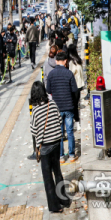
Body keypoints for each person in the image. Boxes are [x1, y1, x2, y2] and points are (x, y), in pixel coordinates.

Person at [30, 81, 70, 213]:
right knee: (57, 172)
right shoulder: (52, 104)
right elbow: (59, 120)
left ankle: (55, 206)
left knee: (48, 177)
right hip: (56, 142)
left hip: (45, 147)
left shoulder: (35, 110)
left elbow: (34, 131)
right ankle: (64, 199)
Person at [46, 51, 78, 163]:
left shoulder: (51, 74)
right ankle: (72, 155)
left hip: (57, 108)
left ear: (56, 61)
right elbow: (75, 90)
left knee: (59, 133)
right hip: (69, 106)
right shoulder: (69, 73)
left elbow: (48, 90)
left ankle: (60, 157)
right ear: (65, 61)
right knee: (69, 132)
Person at [67, 44, 84, 123]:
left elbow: (71, 73)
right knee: (76, 103)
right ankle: (76, 119)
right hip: (80, 84)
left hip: (74, 85)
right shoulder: (78, 59)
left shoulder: (72, 62)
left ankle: (76, 119)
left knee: (73, 104)